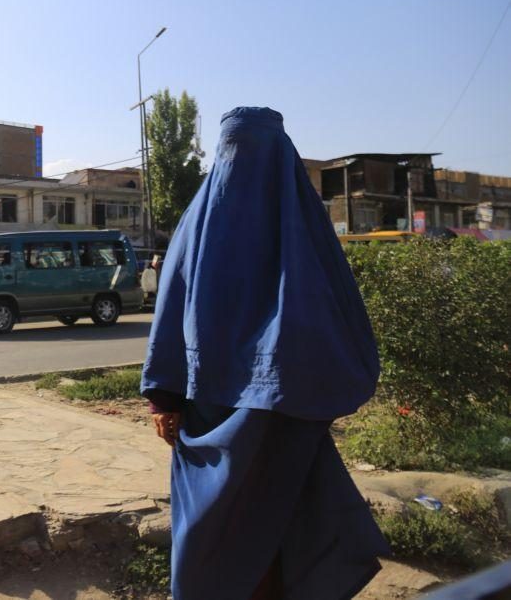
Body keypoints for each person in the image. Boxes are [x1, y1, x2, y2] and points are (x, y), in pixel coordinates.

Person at [141, 107, 388, 600]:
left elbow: (333, 310)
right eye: (237, 151)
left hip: (282, 412)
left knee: (280, 533)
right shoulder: (202, 220)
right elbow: (173, 305)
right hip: (217, 410)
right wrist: (161, 398)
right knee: (211, 537)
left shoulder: (300, 223)